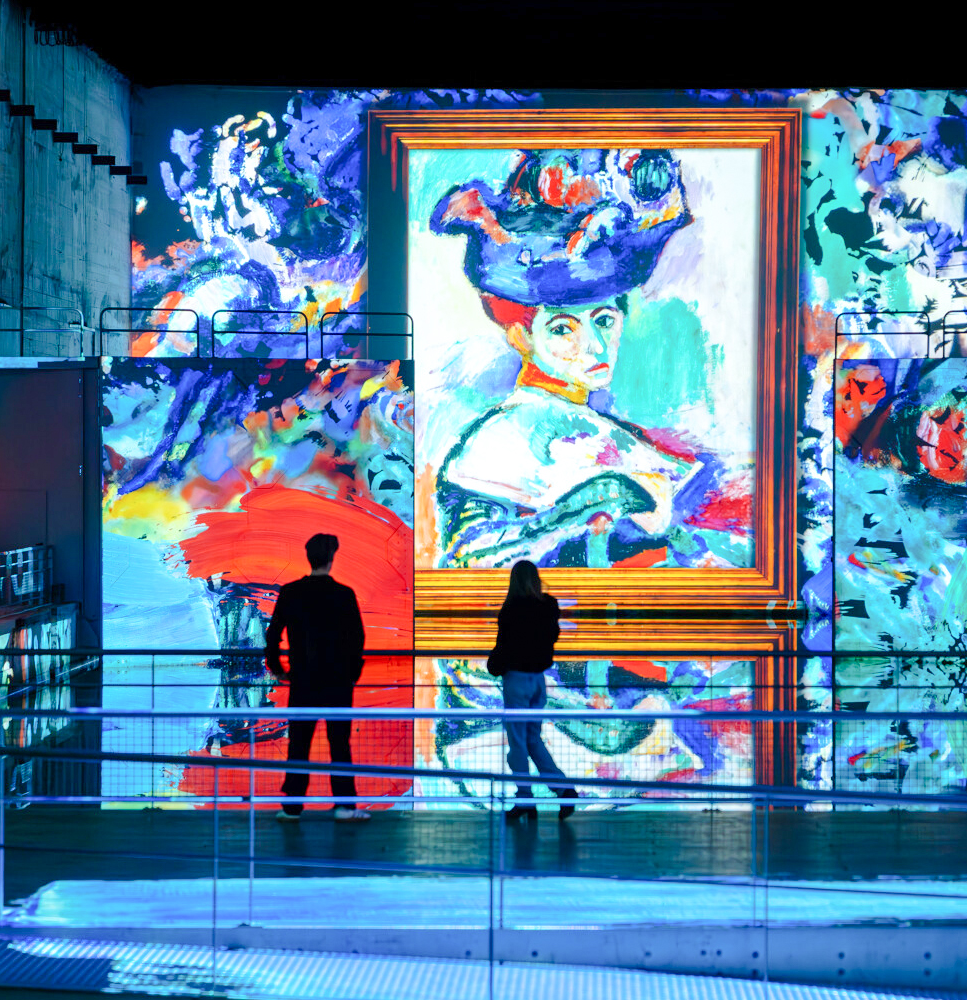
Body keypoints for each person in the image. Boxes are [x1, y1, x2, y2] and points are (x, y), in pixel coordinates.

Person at [430, 149, 750, 570]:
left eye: (604, 320)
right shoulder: (494, 445)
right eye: (563, 328)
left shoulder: (619, 435)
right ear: (521, 336)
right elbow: (472, 566)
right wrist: (600, 504)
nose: (596, 347)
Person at [264, 533, 369, 823]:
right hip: (337, 683)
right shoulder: (344, 595)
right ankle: (345, 806)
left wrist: (278, 667)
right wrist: (351, 674)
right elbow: (357, 638)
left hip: (303, 680)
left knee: (299, 743)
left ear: (308, 557)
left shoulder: (291, 592)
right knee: (339, 744)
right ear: (332, 558)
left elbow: (273, 634)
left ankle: (293, 806)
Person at [490, 560, 577, 820]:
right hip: (538, 679)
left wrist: (494, 664)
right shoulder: (548, 606)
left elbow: (503, 646)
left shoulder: (512, 609)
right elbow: (552, 637)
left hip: (516, 680)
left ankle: (525, 798)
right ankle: (563, 790)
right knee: (532, 739)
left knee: (518, 742)